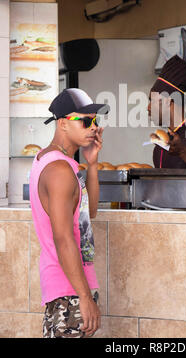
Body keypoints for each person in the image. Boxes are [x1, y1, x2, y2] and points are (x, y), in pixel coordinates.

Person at [29, 88, 110, 338]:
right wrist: (84, 296)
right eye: (86, 120)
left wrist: (92, 164)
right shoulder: (59, 171)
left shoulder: (58, 163)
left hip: (69, 289)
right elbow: (63, 237)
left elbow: (90, 212)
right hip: (69, 291)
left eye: (95, 121)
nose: (93, 127)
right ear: (63, 123)